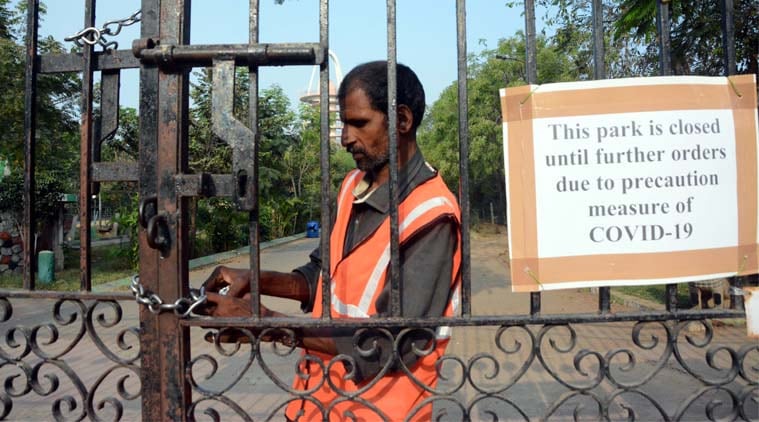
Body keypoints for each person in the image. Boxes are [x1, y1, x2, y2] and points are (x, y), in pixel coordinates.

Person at [198, 61, 462, 421]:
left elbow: (390, 342)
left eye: (359, 123)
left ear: (402, 120)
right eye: (344, 124)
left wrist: (263, 322)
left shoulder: (432, 214)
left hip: (377, 411)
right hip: (316, 401)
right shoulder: (353, 186)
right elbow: (321, 275)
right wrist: (256, 278)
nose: (345, 138)